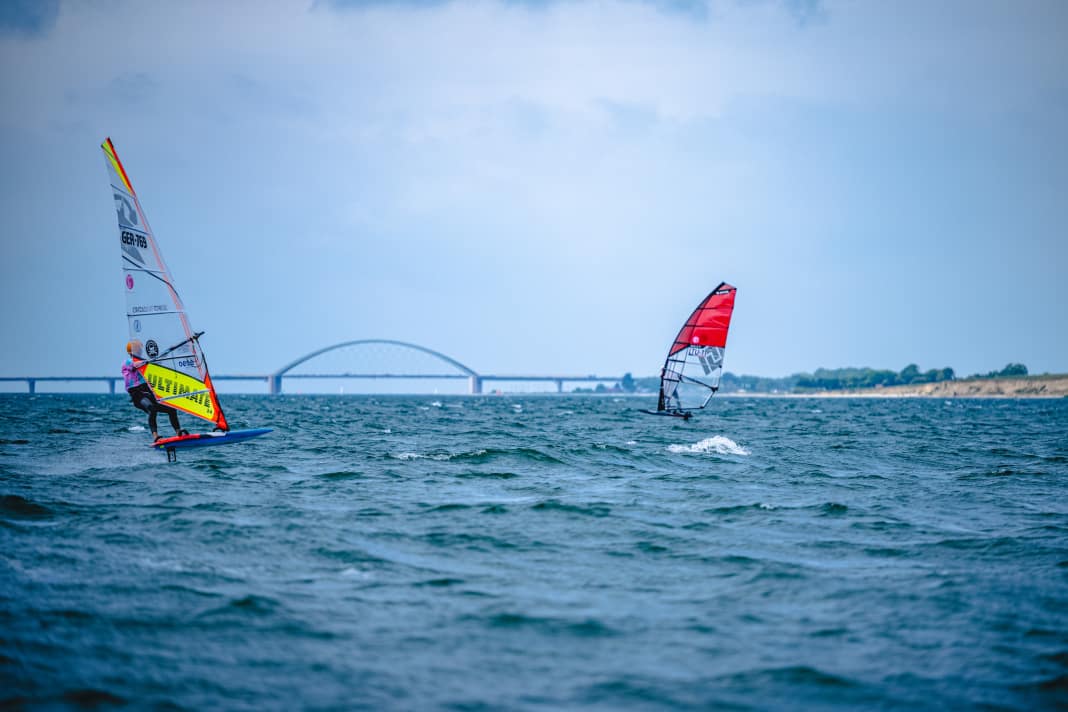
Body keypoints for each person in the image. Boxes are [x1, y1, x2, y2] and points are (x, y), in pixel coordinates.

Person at [123, 340, 185, 441]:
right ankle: (155, 436)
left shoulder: (143, 362)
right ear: (131, 352)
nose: (140, 351)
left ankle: (179, 432)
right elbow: (138, 364)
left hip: (148, 393)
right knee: (152, 409)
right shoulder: (127, 363)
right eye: (137, 349)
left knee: (171, 409)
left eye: (140, 349)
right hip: (138, 396)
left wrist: (170, 350)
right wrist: (150, 361)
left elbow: (156, 361)